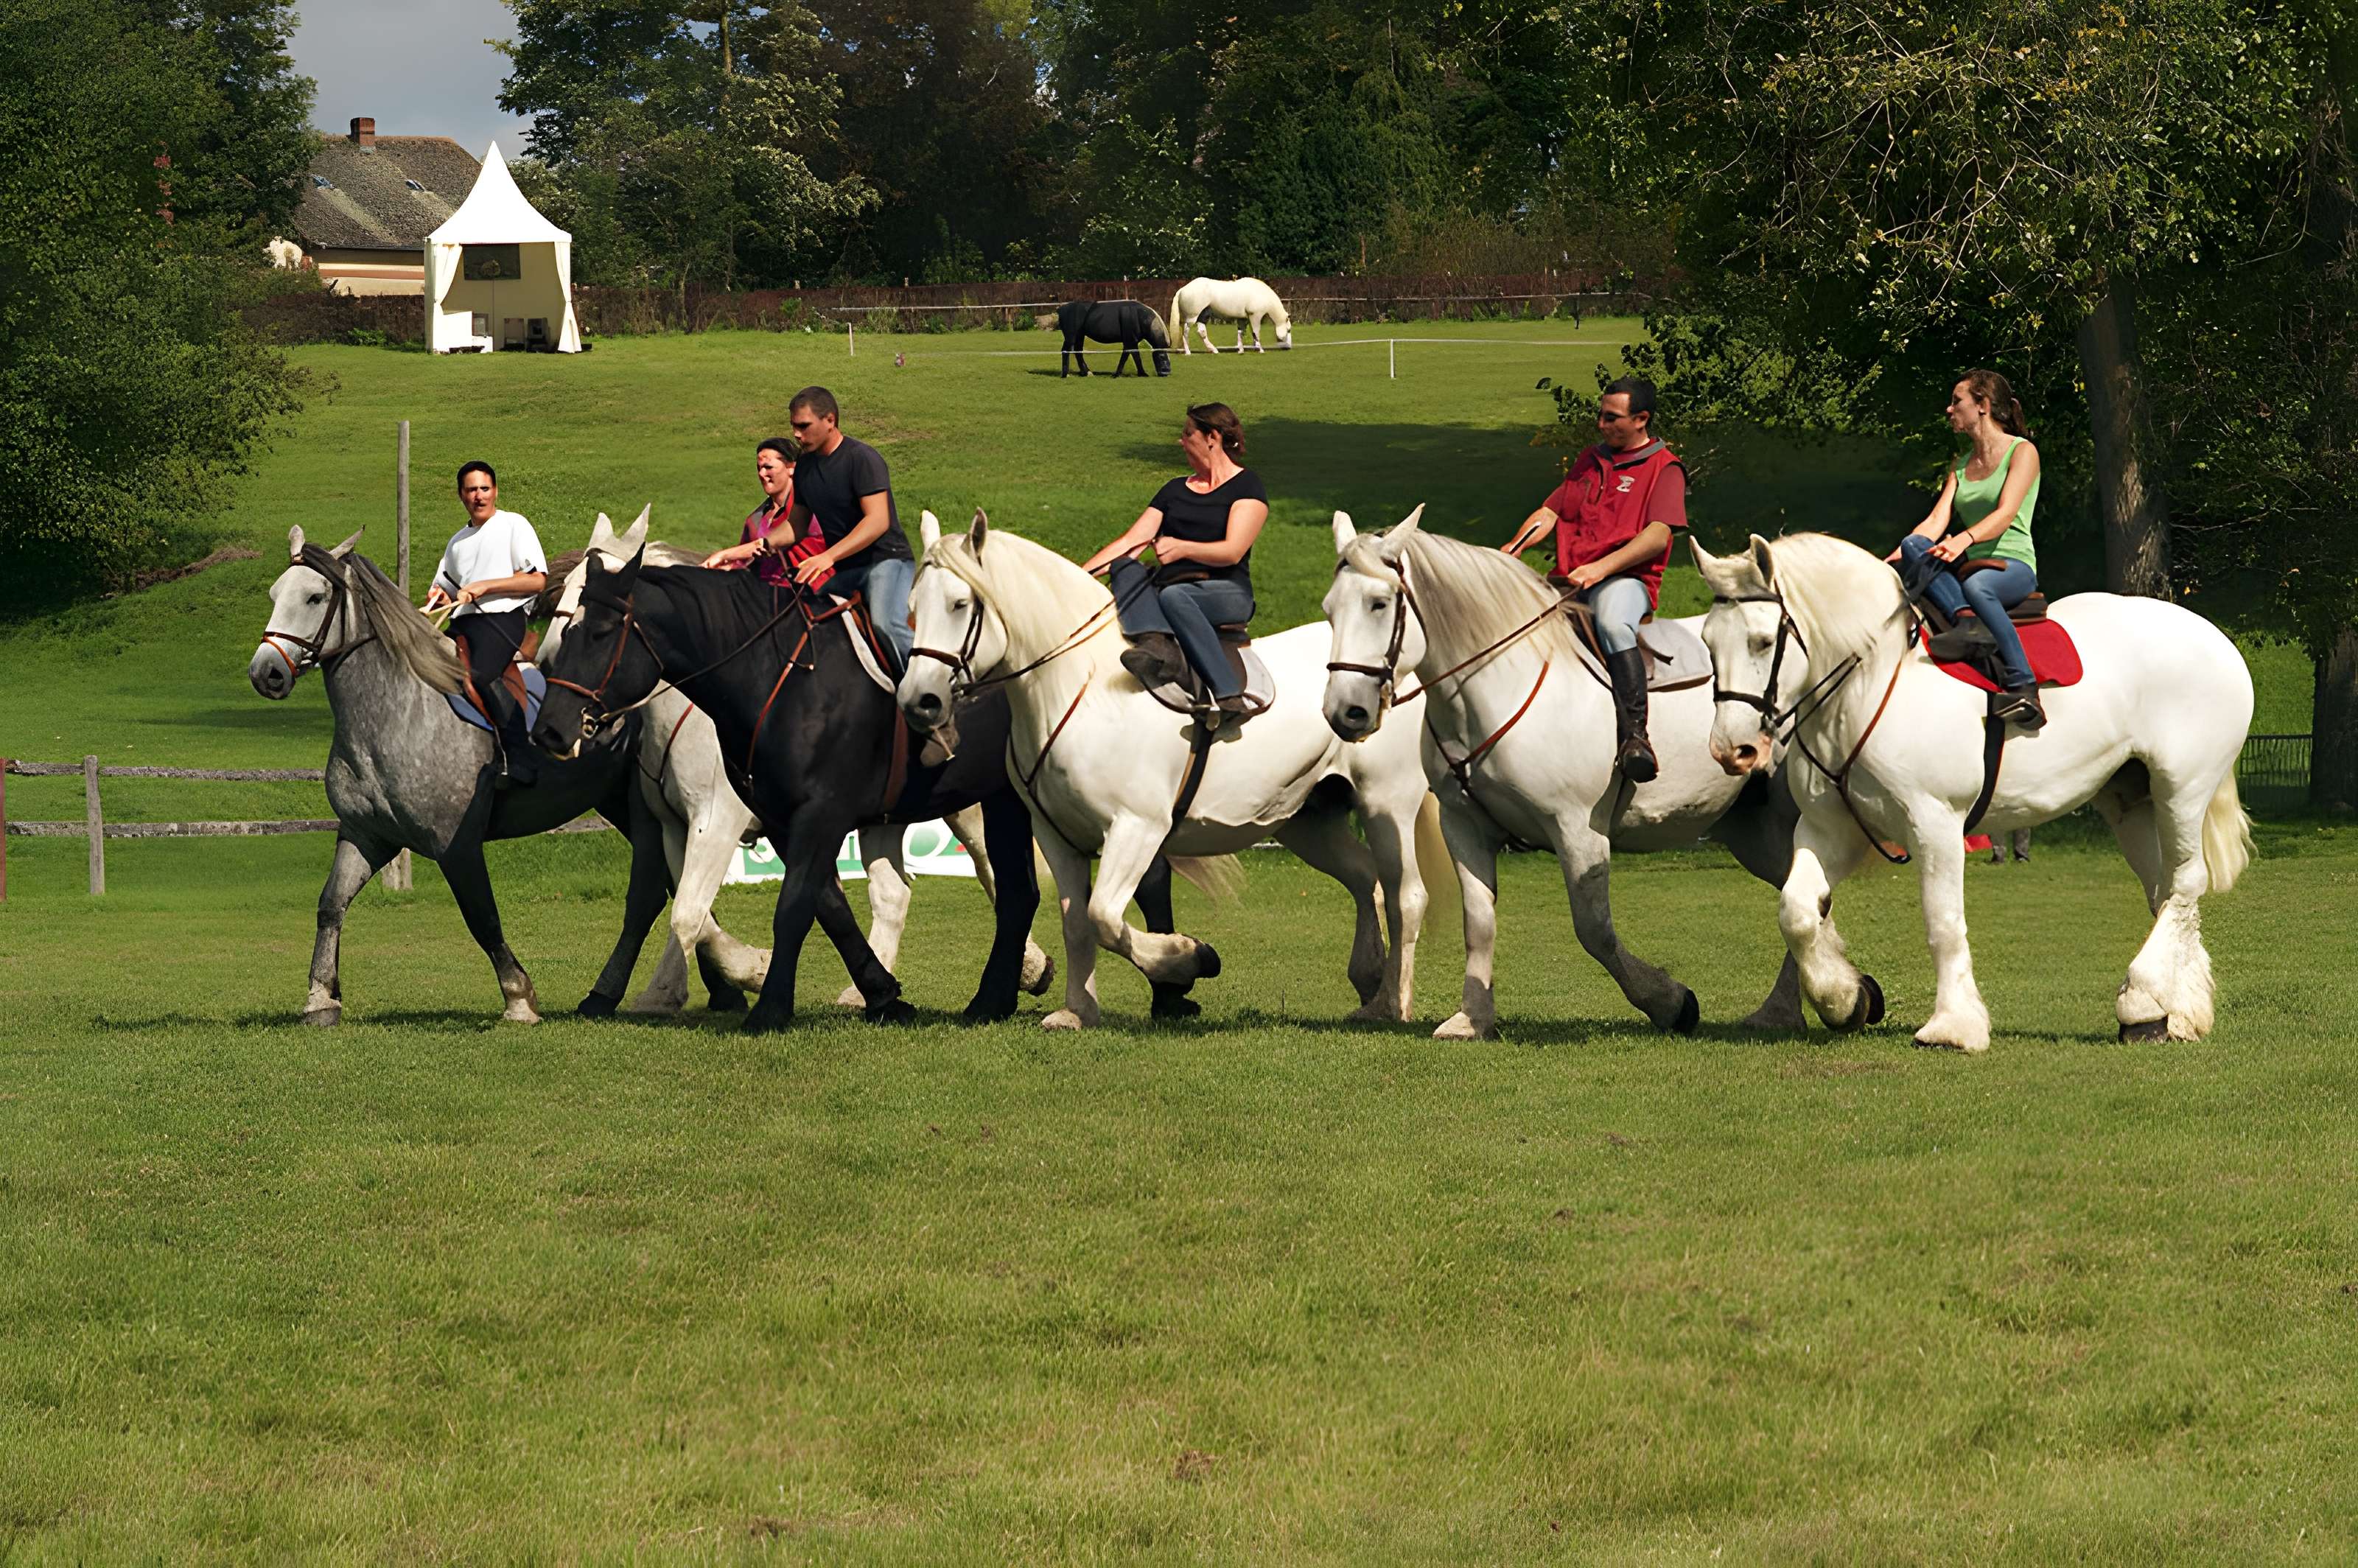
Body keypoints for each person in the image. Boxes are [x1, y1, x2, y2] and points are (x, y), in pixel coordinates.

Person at [1499, 376, 1686, 783]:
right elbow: (1551, 512)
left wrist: (1602, 568)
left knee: (1613, 623)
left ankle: (1635, 738)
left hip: (1626, 581)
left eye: (1611, 418)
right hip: (1570, 579)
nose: (1601, 424)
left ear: (1641, 419)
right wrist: (1515, 547)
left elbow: (1659, 535)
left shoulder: (1664, 468)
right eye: (1600, 415)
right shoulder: (1590, 459)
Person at [1080, 402, 1268, 713]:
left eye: (1188, 433)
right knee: (1125, 566)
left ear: (1212, 437)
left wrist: (1183, 548)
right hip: (1171, 587)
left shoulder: (1247, 486)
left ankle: (1228, 692)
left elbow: (1232, 551)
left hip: (1227, 591)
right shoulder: (1174, 490)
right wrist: (1077, 577)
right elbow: (1130, 542)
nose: (1181, 441)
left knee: (1175, 597)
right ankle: (1156, 645)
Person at [1890, 369, 2046, 729]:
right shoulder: (1960, 465)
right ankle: (1967, 620)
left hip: (2013, 566)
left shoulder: (2023, 452)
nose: (1949, 409)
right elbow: (1934, 522)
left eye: (1956, 401)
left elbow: (2006, 513)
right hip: (1970, 569)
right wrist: (1891, 559)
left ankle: (2024, 686)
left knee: (1978, 586)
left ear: (1983, 405)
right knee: (1914, 545)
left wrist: (1963, 539)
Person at [423, 461, 547, 785]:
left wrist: (485, 586)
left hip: (503, 620)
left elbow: (537, 581)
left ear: (495, 491)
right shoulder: (456, 543)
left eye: (484, 488)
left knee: (480, 676)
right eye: (471, 490)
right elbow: (447, 592)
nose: (479, 496)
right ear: (461, 495)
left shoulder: (513, 525)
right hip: (463, 624)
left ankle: (519, 759)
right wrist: (438, 597)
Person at [771, 385, 915, 662]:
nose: (796, 434)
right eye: (794, 426)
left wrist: (828, 557)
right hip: (848, 571)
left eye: (804, 426)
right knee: (813, 618)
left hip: (887, 561)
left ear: (830, 420)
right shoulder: (805, 466)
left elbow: (878, 521)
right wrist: (759, 545)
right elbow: (796, 526)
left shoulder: (861, 458)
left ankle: (932, 685)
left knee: (885, 625)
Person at [700, 438, 802, 587]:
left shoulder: (807, 509)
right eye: (758, 468)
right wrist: (726, 567)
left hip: (809, 594)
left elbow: (780, 539)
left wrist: (724, 555)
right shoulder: (754, 520)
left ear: (792, 468)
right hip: (766, 594)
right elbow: (746, 564)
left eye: (768, 467)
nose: (761, 473)